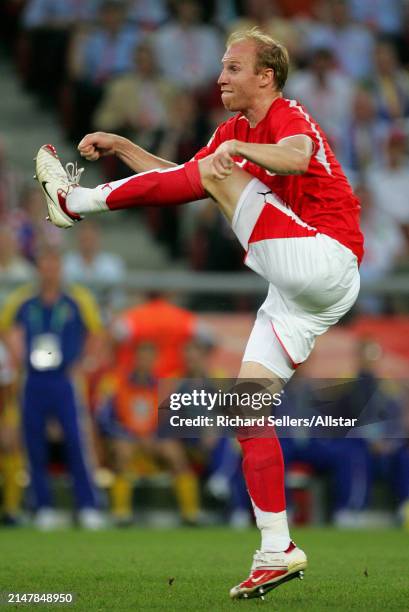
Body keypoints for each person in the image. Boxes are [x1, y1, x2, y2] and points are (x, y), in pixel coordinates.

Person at [35, 27, 363, 599]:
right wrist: (125, 149)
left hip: (327, 259)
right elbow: (187, 177)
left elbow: (294, 158)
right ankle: (276, 548)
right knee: (246, 409)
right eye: (221, 66)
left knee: (217, 167)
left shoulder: (288, 115)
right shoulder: (233, 132)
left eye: (234, 67)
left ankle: (75, 202)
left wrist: (233, 155)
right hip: (299, 294)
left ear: (266, 76)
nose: (220, 77)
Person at [0, 247, 105, 530]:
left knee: (76, 440)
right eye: (44, 264)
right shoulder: (23, 300)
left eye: (54, 265)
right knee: (33, 442)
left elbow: (96, 331)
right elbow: (5, 326)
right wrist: (17, 356)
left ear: (61, 268)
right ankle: (42, 506)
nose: (49, 270)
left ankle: (88, 506)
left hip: (66, 379)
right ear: (39, 269)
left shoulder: (77, 300)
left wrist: (83, 362)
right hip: (33, 378)